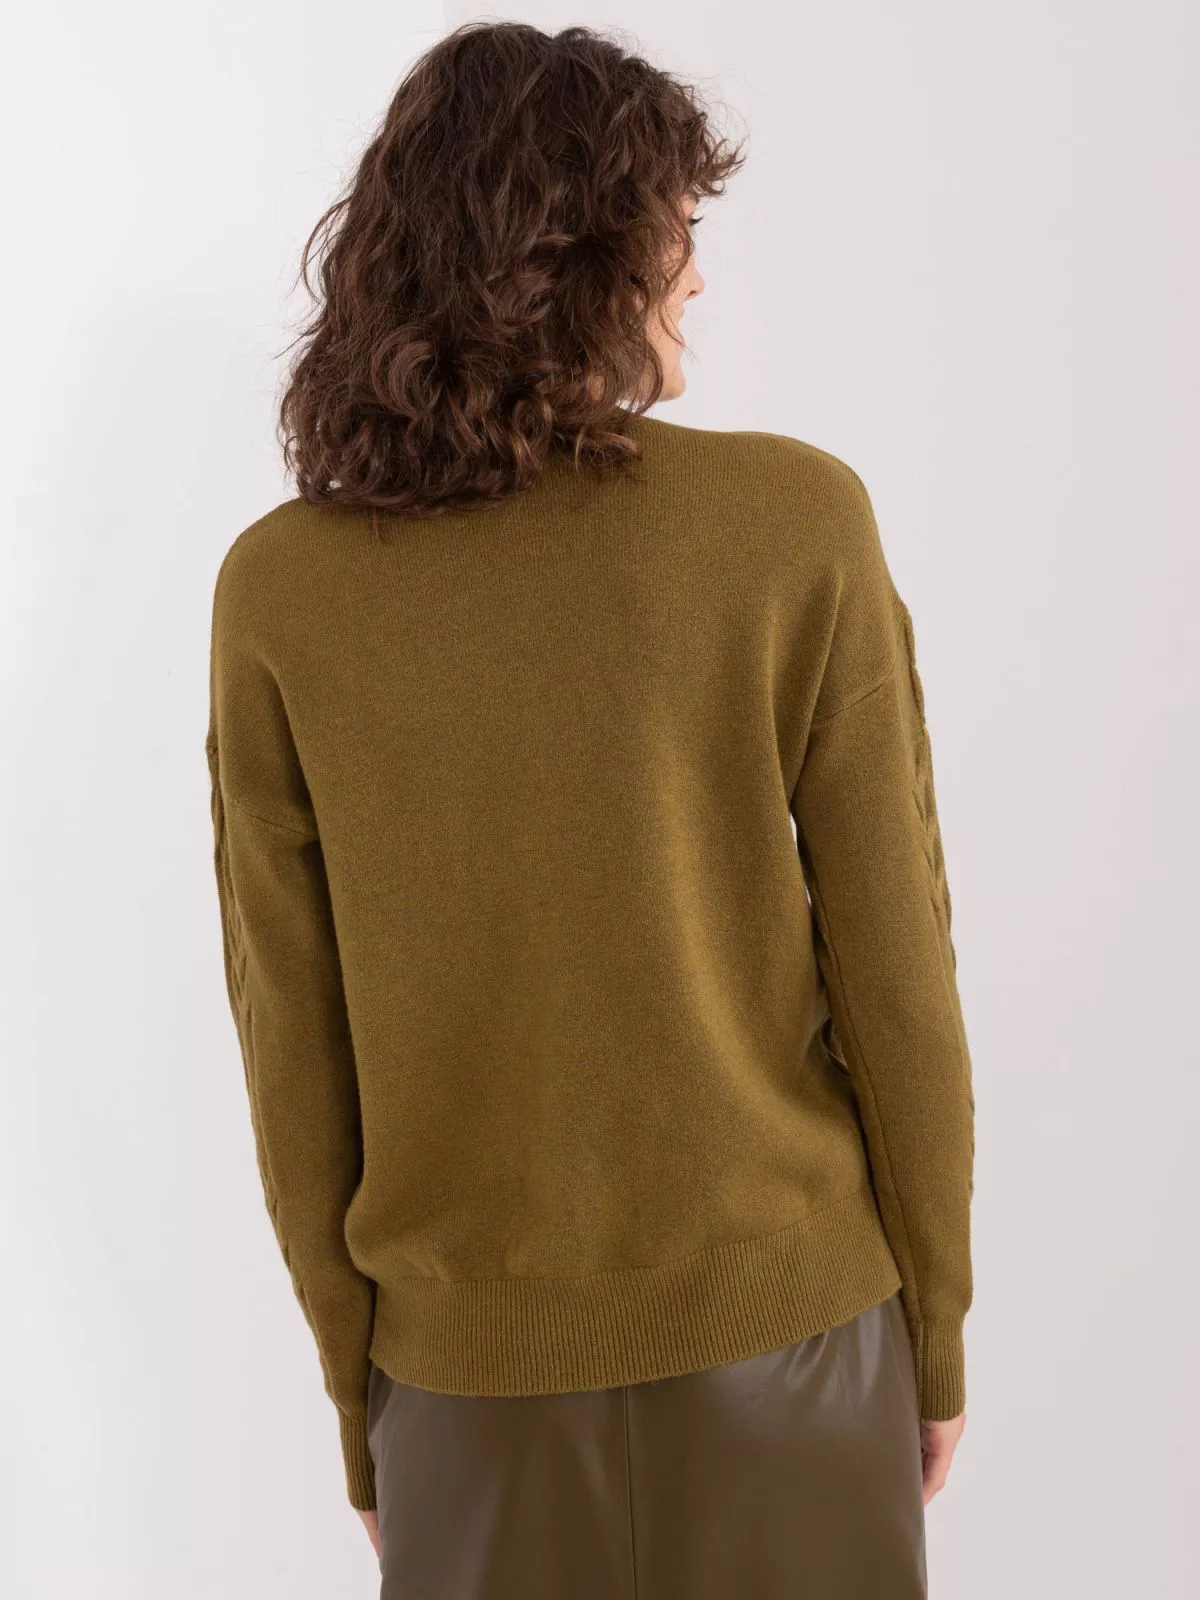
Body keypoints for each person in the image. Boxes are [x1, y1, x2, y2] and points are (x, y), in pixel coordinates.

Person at [204, 19, 973, 1598]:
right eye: (674, 226)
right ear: (574, 250)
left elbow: (294, 1050)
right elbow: (900, 982)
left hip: (465, 1396)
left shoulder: (280, 591)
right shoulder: (794, 523)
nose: (696, 271)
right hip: (799, 1355)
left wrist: (365, 1414)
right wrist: (937, 1336)